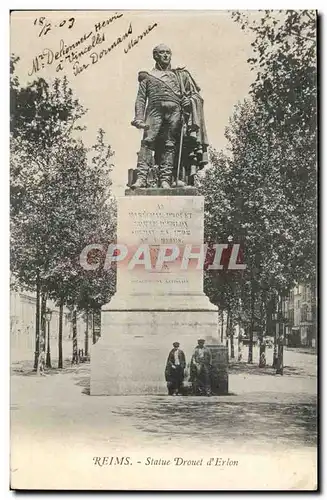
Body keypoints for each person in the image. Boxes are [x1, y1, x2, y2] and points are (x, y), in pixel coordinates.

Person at [131, 44, 208, 188]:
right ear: (155, 56)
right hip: (154, 111)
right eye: (161, 53)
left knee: (169, 144)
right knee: (148, 142)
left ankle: (165, 179)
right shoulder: (147, 76)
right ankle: (141, 177)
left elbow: (192, 95)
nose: (165, 55)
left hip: (175, 112)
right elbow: (141, 98)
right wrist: (139, 117)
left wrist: (187, 102)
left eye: (168, 52)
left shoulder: (178, 76)